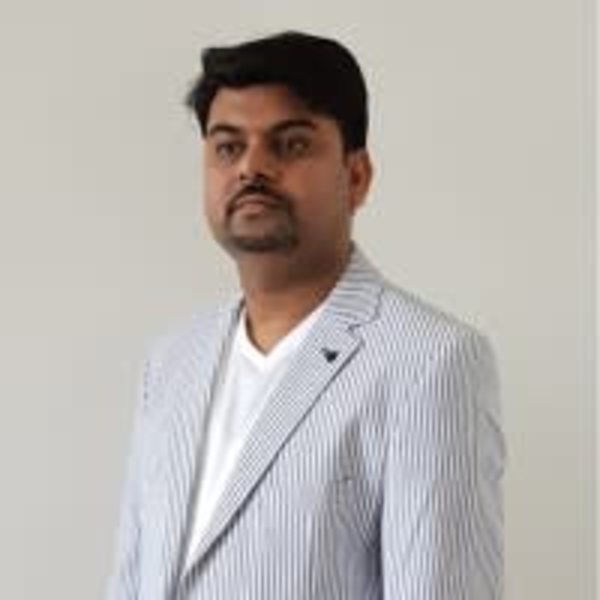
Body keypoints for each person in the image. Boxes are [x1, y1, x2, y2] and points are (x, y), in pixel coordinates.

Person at [106, 31, 506, 600]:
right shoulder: (172, 360)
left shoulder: (429, 362)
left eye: (290, 144)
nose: (252, 167)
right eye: (228, 147)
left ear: (356, 176)